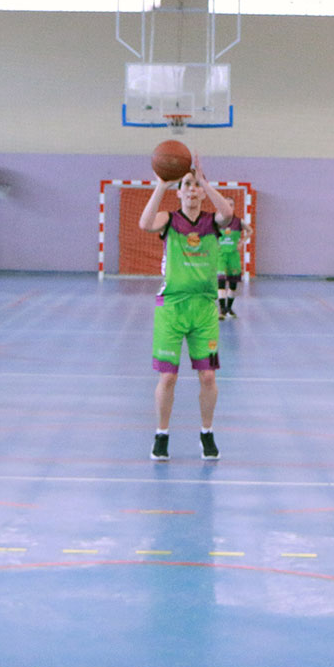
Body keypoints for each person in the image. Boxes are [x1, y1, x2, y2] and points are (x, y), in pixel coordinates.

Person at [140, 161, 233, 462]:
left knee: (208, 376)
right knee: (168, 378)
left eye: (196, 186)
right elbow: (144, 223)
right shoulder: (168, 219)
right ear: (179, 193)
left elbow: (229, 214)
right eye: (187, 185)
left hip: (205, 309)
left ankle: (206, 433)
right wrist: (160, 185)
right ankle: (161, 435)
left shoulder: (212, 222)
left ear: (202, 193)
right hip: (172, 307)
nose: (192, 190)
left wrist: (206, 182)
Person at [216, 217, 251, 319]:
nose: (228, 207)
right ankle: (222, 310)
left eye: (231, 205)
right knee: (221, 282)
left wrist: (242, 242)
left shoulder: (238, 222)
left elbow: (250, 230)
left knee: (233, 284)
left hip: (233, 256)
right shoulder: (217, 221)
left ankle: (229, 308)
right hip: (221, 255)